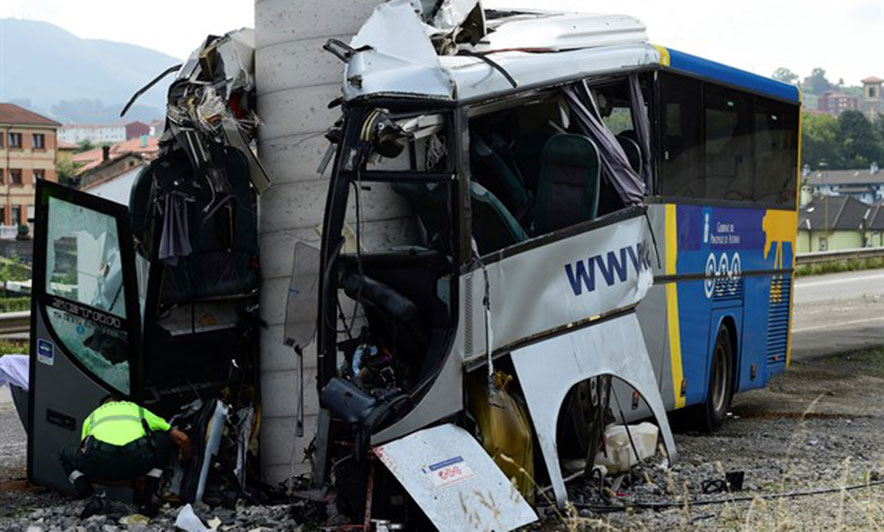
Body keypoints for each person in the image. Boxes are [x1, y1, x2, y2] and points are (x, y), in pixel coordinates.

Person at [59, 396, 192, 518]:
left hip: (99, 461)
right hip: (137, 459)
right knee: (162, 438)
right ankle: (147, 500)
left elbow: (85, 452)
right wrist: (186, 460)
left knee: (64, 454)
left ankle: (90, 497)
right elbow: (183, 438)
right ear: (122, 402)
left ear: (102, 407)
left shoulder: (92, 417)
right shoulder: (137, 410)